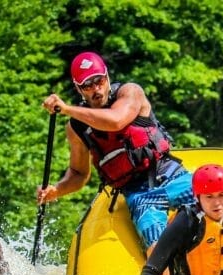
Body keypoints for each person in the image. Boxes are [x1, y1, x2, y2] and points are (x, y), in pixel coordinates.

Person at [38, 51, 192, 250]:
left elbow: (116, 120)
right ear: (79, 89)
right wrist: (56, 190)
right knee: (158, 248)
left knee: (218, 200)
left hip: (170, 173)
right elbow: (78, 174)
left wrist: (66, 108)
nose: (96, 89)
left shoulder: (130, 92)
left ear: (107, 76)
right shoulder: (76, 127)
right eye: (87, 85)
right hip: (139, 193)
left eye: (99, 80)